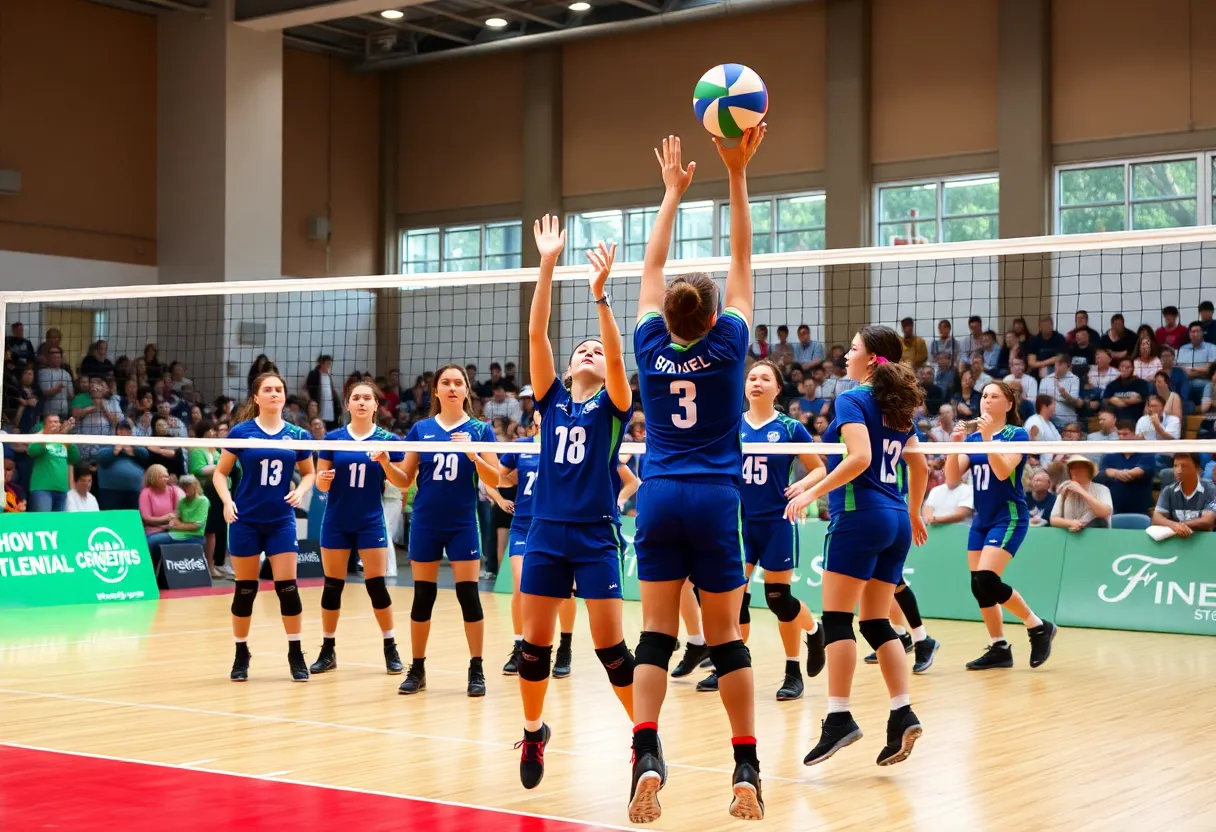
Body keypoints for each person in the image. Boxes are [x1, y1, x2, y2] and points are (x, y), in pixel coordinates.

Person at [628, 126, 767, 823]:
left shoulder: (650, 342)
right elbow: (743, 256)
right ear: (715, 318)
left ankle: (647, 752)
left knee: (656, 632)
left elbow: (650, 271)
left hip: (657, 496)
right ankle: (744, 762)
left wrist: (670, 194)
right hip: (716, 497)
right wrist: (736, 173)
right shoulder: (731, 344)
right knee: (727, 637)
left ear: (672, 315)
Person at [513, 218, 636, 790]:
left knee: (610, 646)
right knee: (534, 647)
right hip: (545, 533)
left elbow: (615, 357)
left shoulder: (613, 402)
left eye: (595, 350)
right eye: (579, 348)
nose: (588, 351)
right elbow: (537, 334)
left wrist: (601, 299)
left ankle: (645, 739)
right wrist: (546, 264)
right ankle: (534, 731)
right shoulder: (552, 400)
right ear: (566, 368)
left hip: (593, 534)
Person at [785, 326, 928, 769]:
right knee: (877, 623)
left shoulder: (852, 398)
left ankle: (838, 717)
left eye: (852, 349)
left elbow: (860, 459)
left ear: (870, 360)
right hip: (894, 519)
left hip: (859, 518)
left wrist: (813, 493)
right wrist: (916, 512)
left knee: (837, 620)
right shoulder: (898, 406)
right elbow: (919, 465)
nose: (845, 355)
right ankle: (901, 710)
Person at [716, 358, 825, 702]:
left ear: (778, 388)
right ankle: (730, 666)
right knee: (736, 599)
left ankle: (805, 646)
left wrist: (803, 489)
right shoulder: (731, 425)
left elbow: (819, 469)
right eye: (751, 377)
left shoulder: (791, 428)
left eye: (765, 378)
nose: (757, 382)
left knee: (778, 600)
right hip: (740, 522)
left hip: (777, 522)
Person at [395, 365, 500, 697]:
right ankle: (417, 667)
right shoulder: (421, 429)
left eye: (459, 383)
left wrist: (473, 457)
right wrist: (385, 463)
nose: (453, 387)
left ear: (467, 391)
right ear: (436, 391)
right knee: (422, 596)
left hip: (462, 524)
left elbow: (495, 479)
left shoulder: (481, 431)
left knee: (468, 595)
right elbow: (404, 479)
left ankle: (477, 668)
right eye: (446, 382)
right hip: (425, 523)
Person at [212, 372, 316, 682]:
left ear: (284, 397)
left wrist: (301, 490)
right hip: (245, 519)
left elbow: (308, 473)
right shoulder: (242, 432)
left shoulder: (298, 434)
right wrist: (227, 501)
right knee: (245, 590)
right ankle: (241, 651)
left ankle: (295, 652)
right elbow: (220, 474)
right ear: (256, 398)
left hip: (281, 520)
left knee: (288, 588)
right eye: (268, 390)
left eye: (279, 390)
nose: (274, 394)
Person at [946, 381, 1057, 671]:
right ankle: (999, 647)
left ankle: (1037, 626)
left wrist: (985, 438)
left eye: (994, 396)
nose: (986, 400)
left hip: (1008, 517)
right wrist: (954, 444)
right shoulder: (973, 440)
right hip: (982, 519)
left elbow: (1002, 470)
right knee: (978, 586)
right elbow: (951, 480)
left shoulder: (1016, 434)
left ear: (1008, 405)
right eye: (984, 396)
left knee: (987, 580)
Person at [309, 381, 410, 677]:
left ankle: (390, 648)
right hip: (337, 521)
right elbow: (319, 482)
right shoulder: (333, 438)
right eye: (357, 398)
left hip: (369, 521)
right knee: (332, 586)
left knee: (376, 586)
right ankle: (327, 650)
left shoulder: (387, 439)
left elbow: (403, 481)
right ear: (348, 405)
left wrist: (385, 462)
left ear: (376, 405)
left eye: (368, 398)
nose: (362, 402)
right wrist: (323, 481)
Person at [1152, 454, 1216, 535]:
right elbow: (1157, 518)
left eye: (1184, 466)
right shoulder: (1168, 490)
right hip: (1176, 538)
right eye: (1175, 466)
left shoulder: (1210, 490)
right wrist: (1174, 525)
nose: (1178, 470)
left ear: (1197, 468)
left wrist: (1180, 526)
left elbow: (1207, 521)